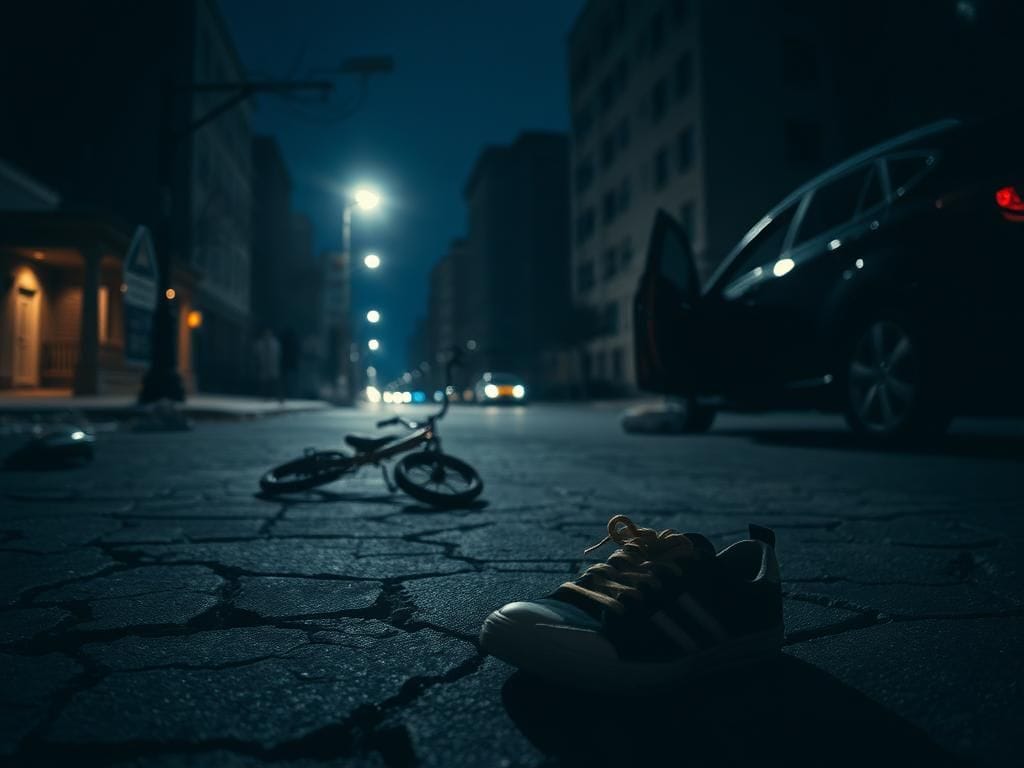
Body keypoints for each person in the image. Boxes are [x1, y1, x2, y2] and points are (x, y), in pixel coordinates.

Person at [254, 328, 282, 402]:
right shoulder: (260, 344)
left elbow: (277, 355)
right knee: (264, 384)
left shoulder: (275, 344)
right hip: (264, 367)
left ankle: (278, 397)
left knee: (274, 383)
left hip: (272, 367)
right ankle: (264, 397)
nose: (267, 336)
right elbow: (257, 355)